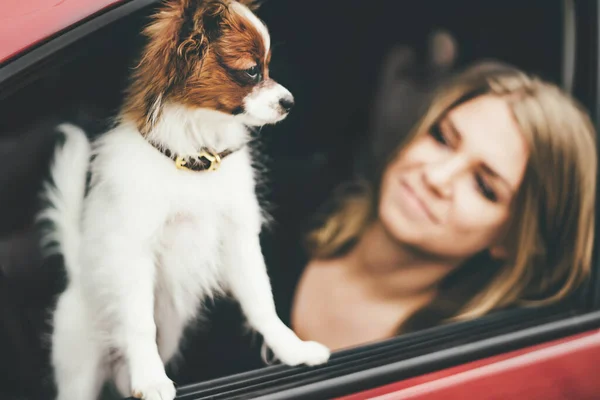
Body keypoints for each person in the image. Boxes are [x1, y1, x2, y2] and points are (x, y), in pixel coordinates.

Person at [290, 62, 597, 350]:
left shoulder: (452, 361)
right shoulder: (281, 200)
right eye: (442, 137)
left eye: (483, 187)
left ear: (514, 241)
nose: (436, 177)